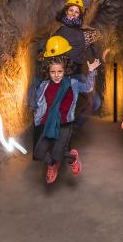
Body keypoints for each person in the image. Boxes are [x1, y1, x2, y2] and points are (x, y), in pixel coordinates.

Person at [32, 44, 101, 184]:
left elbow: (88, 87)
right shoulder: (44, 85)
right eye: (53, 72)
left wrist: (91, 71)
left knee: (58, 154)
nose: (56, 75)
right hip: (48, 123)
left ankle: (73, 158)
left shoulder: (73, 83)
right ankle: (52, 164)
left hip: (65, 124)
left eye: (60, 71)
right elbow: (39, 104)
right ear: (48, 72)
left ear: (65, 71)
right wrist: (37, 118)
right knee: (38, 154)